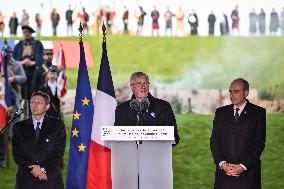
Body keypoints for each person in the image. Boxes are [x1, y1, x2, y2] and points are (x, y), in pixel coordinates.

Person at [210, 78, 266, 189]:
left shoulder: (258, 113)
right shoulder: (221, 112)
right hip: (224, 176)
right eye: (230, 91)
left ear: (246, 93)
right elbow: (214, 141)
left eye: (236, 91)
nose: (232, 95)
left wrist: (243, 166)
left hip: (248, 176)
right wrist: (222, 164)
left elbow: (259, 144)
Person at [12, 91, 66, 189]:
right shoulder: (18, 127)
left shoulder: (57, 126)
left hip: (49, 179)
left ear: (47, 106)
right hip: (26, 180)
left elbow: (58, 152)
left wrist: (41, 169)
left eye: (39, 103)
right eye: (32, 102)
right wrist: (33, 168)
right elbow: (17, 153)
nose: (35, 105)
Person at [114, 72, 180, 145]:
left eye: (146, 83)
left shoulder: (163, 107)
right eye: (139, 84)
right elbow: (116, 138)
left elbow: (174, 137)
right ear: (132, 87)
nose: (143, 87)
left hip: (157, 154)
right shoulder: (121, 110)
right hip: (129, 155)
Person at [13, 25, 44, 117]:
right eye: (24, 32)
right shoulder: (19, 45)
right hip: (21, 72)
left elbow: (41, 58)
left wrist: (33, 63)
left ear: (30, 33)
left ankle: (32, 114)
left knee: (33, 92)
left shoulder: (38, 44)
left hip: (34, 72)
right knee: (21, 93)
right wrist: (21, 62)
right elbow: (14, 58)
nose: (25, 34)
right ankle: (21, 112)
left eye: (27, 32)